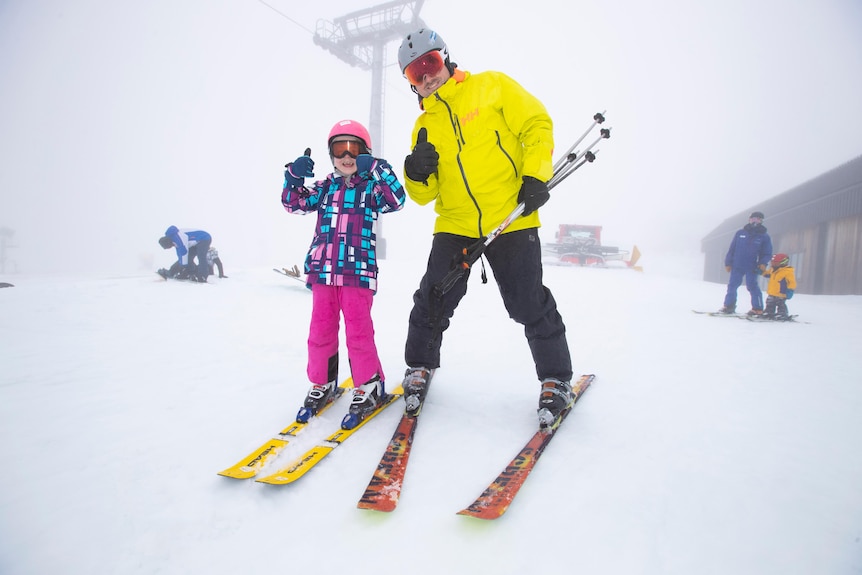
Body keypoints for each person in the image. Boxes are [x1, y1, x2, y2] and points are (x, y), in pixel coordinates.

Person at [395, 28, 573, 429]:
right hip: (456, 223)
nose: (426, 76)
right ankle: (419, 366)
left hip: (511, 216)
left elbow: (536, 124)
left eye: (430, 63)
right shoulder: (424, 126)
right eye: (414, 73)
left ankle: (556, 379)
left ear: (445, 58)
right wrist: (416, 173)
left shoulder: (491, 86)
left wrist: (535, 175)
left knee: (528, 301)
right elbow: (424, 196)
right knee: (432, 299)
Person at [281, 119, 406, 430]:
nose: (347, 156)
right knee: (320, 330)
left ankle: (369, 386)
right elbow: (293, 204)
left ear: (365, 153)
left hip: (357, 272)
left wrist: (376, 167)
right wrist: (293, 176)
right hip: (323, 271)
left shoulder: (371, 188)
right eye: (340, 149)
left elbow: (397, 199)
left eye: (355, 149)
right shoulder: (325, 188)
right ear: (331, 154)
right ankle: (323, 382)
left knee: (358, 332)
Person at [719, 211, 773, 315]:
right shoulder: (740, 233)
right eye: (753, 218)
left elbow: (767, 252)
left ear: (761, 221)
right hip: (737, 265)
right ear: (749, 219)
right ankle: (728, 306)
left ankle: (757, 309)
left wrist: (763, 263)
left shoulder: (764, 236)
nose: (755, 221)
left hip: (752, 266)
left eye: (757, 219)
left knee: (752, 286)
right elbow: (732, 249)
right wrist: (728, 262)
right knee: (732, 286)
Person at [762, 253, 796, 320]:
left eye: (776, 263)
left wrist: (790, 290)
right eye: (772, 263)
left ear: (783, 263)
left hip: (781, 293)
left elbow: (791, 282)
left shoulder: (787, 272)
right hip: (772, 292)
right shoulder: (773, 270)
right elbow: (768, 274)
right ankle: (769, 312)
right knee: (769, 302)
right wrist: (761, 272)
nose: (773, 264)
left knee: (780, 304)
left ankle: (782, 314)